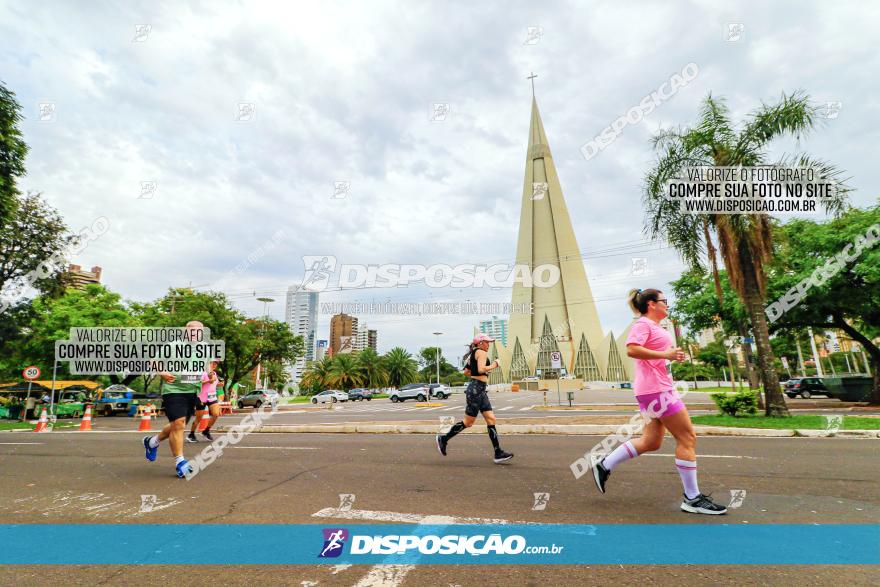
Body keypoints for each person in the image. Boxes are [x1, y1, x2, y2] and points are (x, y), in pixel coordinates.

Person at [590, 289, 727, 515]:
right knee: (687, 438)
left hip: (653, 389)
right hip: (657, 391)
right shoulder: (643, 324)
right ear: (652, 304)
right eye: (665, 301)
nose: (667, 305)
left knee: (651, 441)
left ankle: (604, 465)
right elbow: (632, 349)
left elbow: (652, 355)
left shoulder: (655, 327)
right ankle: (692, 498)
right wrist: (666, 355)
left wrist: (671, 356)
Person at [436, 333, 513, 463]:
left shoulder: (473, 354)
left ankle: (498, 452)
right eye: (487, 342)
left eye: (489, 342)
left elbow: (466, 372)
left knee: (491, 418)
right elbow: (482, 368)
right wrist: (495, 364)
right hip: (476, 390)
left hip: (479, 390)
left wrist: (479, 372)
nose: (489, 344)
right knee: (468, 422)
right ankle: (443, 439)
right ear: (480, 343)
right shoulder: (481, 353)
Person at [142, 320, 204, 478]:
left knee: (179, 425)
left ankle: (152, 442)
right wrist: (162, 373)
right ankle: (180, 462)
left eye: (198, 331)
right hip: (173, 390)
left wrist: (208, 375)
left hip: (192, 392)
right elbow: (154, 361)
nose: (195, 333)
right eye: (192, 330)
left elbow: (206, 368)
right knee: (178, 424)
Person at [187, 359, 222, 443]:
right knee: (199, 418)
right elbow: (198, 383)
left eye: (216, 364)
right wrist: (208, 381)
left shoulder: (215, 374)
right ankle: (191, 434)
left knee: (216, 414)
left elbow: (214, 384)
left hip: (212, 397)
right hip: (202, 397)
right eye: (212, 363)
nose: (214, 365)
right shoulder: (203, 372)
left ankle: (206, 431)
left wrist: (219, 384)